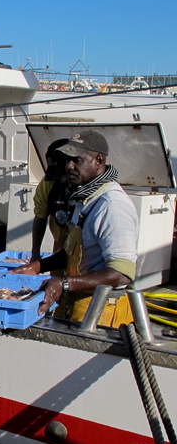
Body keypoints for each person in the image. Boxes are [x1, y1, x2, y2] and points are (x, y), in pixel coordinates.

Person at [13, 131, 139, 327]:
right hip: (77, 303)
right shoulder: (84, 198)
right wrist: (37, 266)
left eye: (77, 160)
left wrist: (64, 283)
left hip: (102, 310)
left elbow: (121, 273)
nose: (69, 166)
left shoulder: (111, 205)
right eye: (68, 160)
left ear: (99, 160)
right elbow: (71, 251)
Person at [30, 138, 71, 262]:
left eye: (63, 175)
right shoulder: (47, 184)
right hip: (60, 246)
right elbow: (40, 217)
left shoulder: (90, 187)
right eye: (57, 176)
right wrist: (35, 252)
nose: (61, 180)